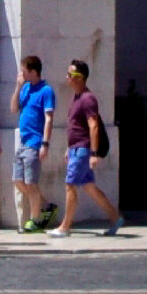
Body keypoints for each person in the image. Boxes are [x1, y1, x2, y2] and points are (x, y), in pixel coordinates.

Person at [53, 60, 121, 236]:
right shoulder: (76, 97)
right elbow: (76, 126)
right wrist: (69, 148)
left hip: (83, 150)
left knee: (70, 185)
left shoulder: (88, 99)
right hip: (76, 148)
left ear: (79, 78)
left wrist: (93, 153)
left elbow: (94, 126)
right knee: (89, 187)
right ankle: (115, 217)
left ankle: (65, 227)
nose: (67, 78)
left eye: (70, 75)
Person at [14, 57, 56, 232]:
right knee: (18, 181)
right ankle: (45, 206)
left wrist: (45, 143)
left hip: (34, 141)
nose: (21, 73)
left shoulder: (46, 91)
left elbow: (49, 118)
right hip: (22, 141)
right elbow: (14, 108)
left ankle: (35, 219)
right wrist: (17, 87)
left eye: (24, 70)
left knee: (31, 182)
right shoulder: (25, 89)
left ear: (33, 72)